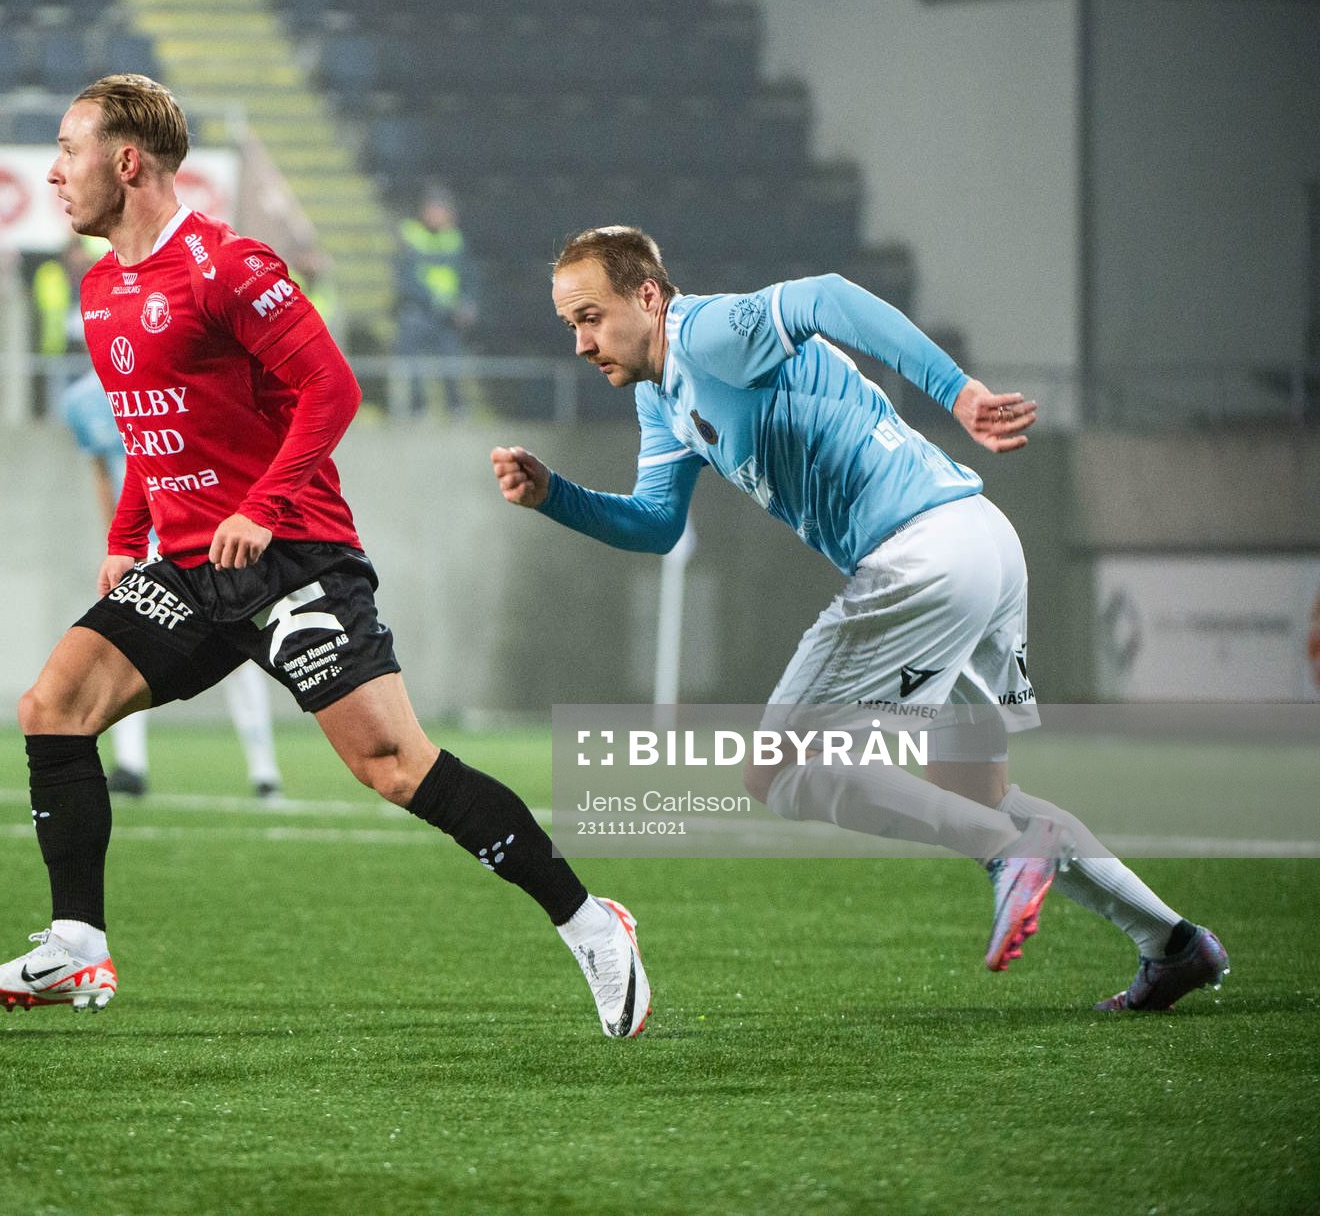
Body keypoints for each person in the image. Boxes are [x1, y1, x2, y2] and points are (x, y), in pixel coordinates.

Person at [0, 74, 651, 1038]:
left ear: (128, 162)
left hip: (294, 557)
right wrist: (125, 542)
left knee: (396, 766)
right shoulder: (101, 290)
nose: (54, 171)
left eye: (69, 150)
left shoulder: (228, 265)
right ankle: (77, 945)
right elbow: (148, 434)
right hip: (192, 571)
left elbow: (331, 390)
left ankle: (589, 923)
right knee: (54, 706)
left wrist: (263, 505)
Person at [491, 225, 1227, 1012]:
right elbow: (656, 523)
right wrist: (555, 497)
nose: (580, 342)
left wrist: (959, 393)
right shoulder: (659, 396)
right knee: (974, 792)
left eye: (591, 317)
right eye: (570, 324)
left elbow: (831, 298)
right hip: (977, 544)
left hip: (922, 555)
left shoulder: (704, 332)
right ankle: (1175, 946)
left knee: (778, 771)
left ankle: (1011, 852)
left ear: (647, 296)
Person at [59, 367, 285, 800]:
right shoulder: (81, 400)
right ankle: (131, 764)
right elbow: (104, 472)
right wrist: (119, 541)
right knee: (127, 649)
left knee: (237, 649)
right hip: (147, 544)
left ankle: (264, 770)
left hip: (204, 534)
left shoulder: (173, 370)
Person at [394, 181, 478, 418]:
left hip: (448, 315)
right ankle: (416, 408)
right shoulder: (409, 235)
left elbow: (469, 277)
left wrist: (468, 302)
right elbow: (405, 278)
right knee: (412, 361)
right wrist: (433, 300)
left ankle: (456, 407)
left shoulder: (456, 240)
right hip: (418, 311)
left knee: (451, 360)